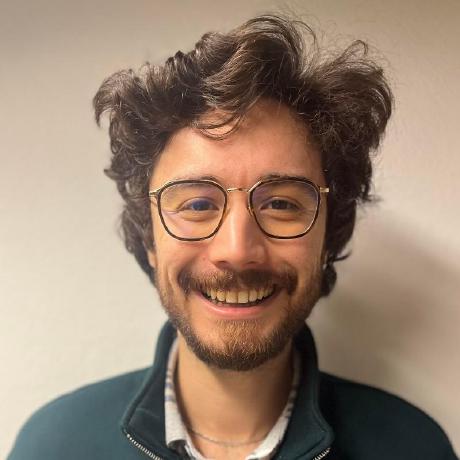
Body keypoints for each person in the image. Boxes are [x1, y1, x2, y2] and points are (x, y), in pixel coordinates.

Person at [8, 14, 457, 460]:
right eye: (196, 205)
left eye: (281, 203)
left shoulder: (415, 449)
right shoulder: (51, 447)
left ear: (328, 235)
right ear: (149, 238)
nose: (237, 251)